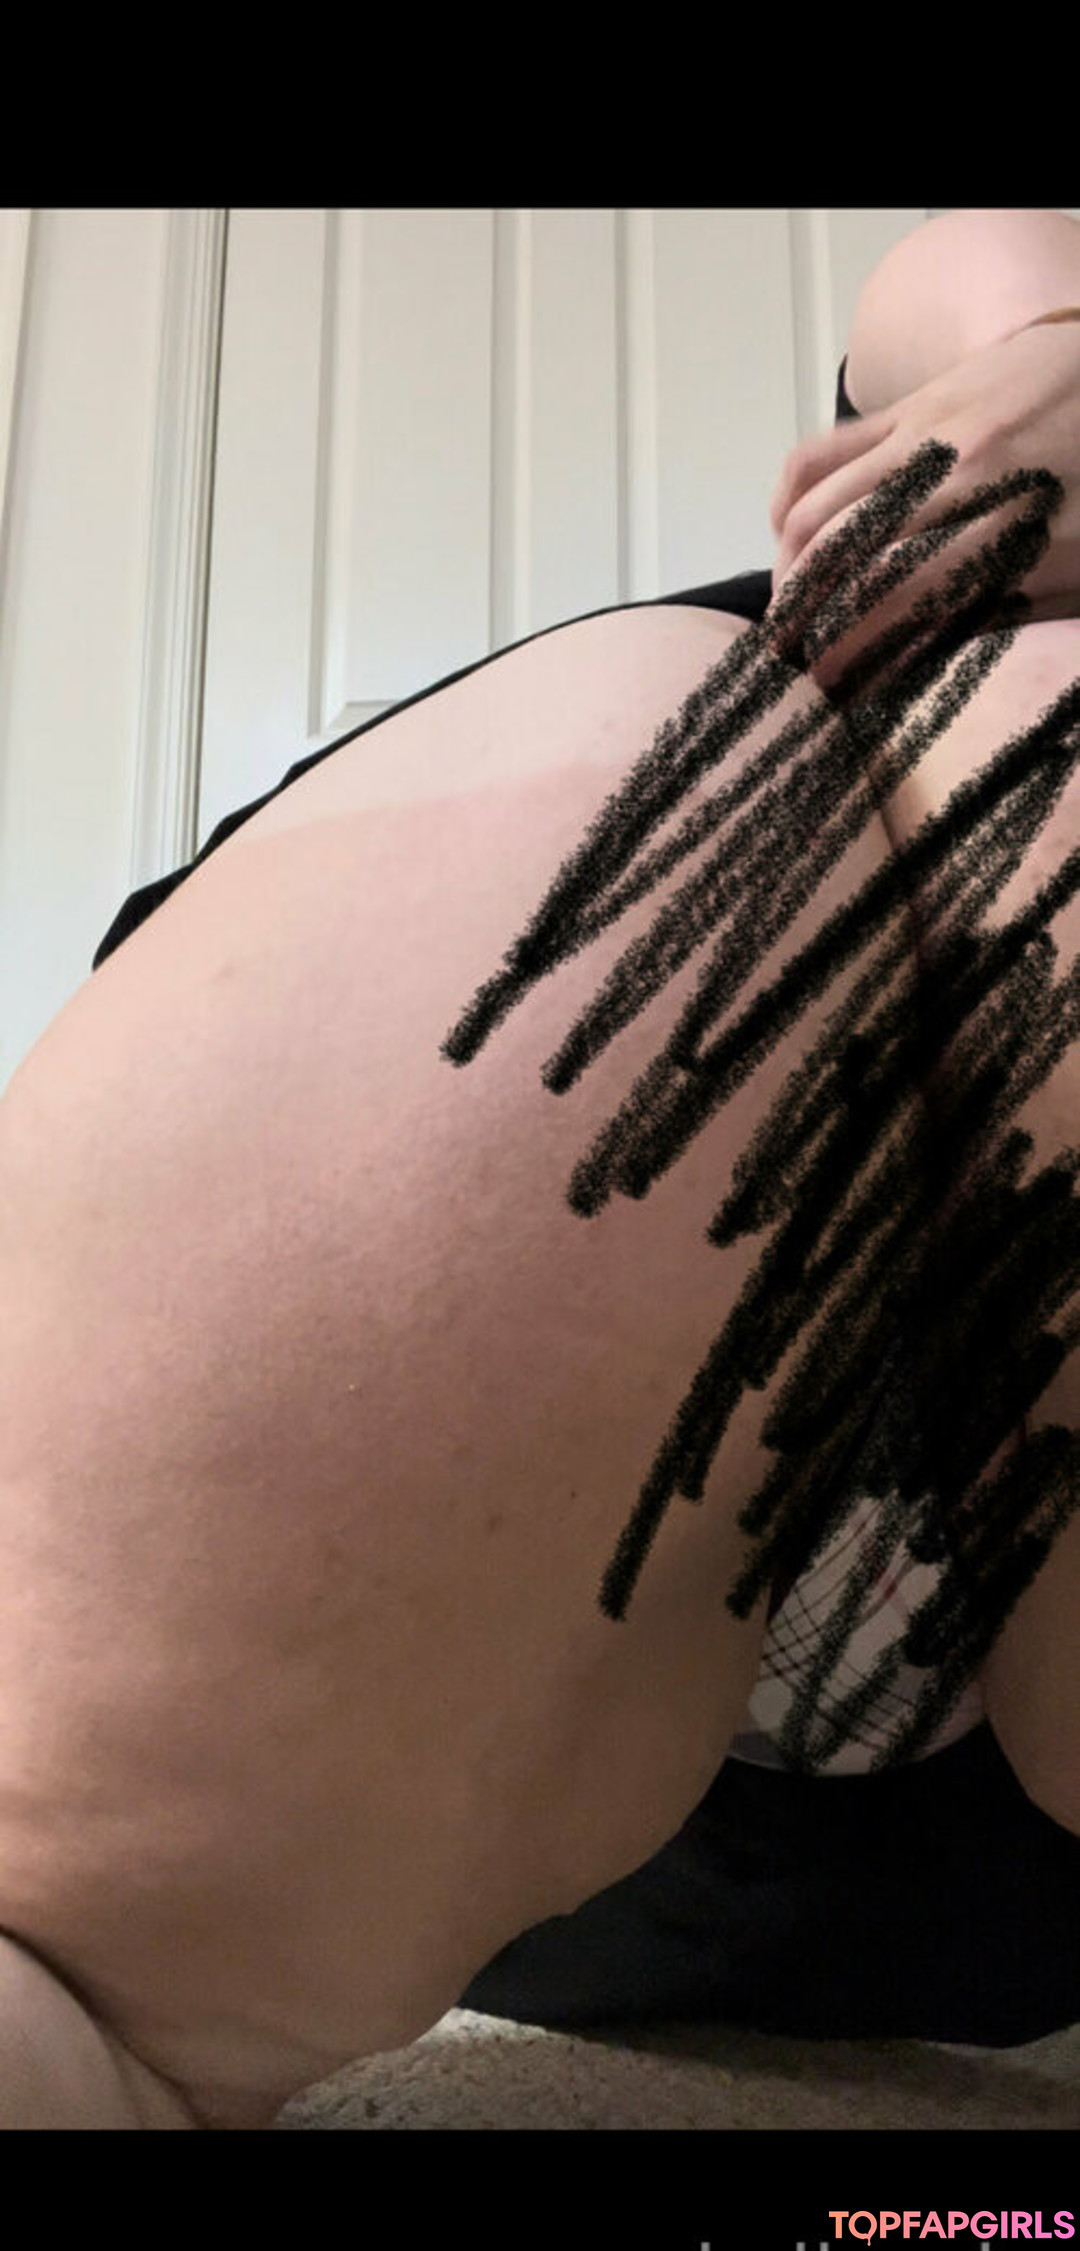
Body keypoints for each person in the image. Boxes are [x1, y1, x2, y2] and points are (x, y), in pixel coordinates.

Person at [0, 208, 1076, 2133]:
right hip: (449, 1407)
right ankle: (76, 1970)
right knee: (728, 773)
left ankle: (78, 1980)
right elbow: (980, 286)